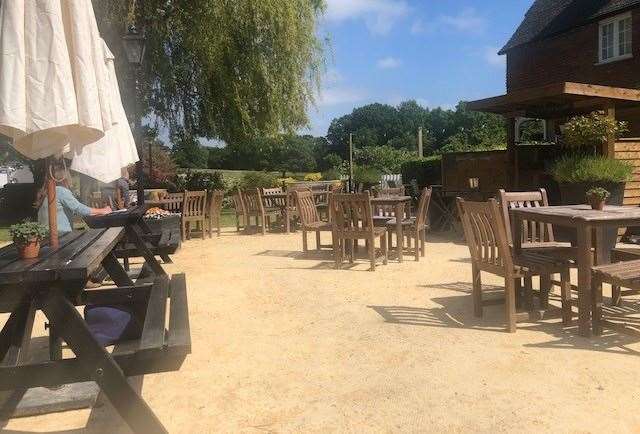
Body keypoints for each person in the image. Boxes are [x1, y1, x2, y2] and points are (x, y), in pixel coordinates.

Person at [35, 164, 112, 234]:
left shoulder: (48, 191)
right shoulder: (60, 191)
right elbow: (79, 208)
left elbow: (78, 211)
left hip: (46, 235)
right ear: (64, 177)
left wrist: (97, 212)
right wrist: (103, 210)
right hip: (61, 235)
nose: (71, 178)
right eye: (70, 174)